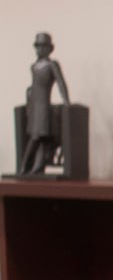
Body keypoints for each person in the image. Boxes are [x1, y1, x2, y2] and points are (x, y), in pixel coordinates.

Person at [20, 32, 70, 175]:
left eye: (43, 47)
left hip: (43, 106)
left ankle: (33, 167)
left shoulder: (52, 65)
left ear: (49, 49)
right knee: (35, 136)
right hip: (34, 105)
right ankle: (27, 166)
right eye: (38, 47)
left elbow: (60, 83)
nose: (40, 50)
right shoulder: (34, 66)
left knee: (40, 136)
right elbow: (33, 86)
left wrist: (66, 101)